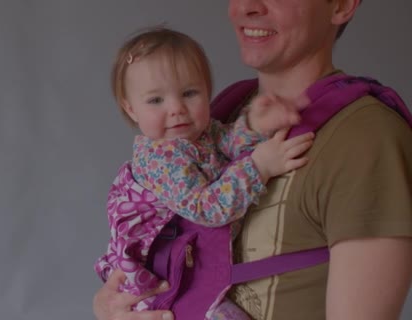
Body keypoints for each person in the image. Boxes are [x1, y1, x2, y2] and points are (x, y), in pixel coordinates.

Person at [93, 1, 412, 319]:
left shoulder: (366, 138)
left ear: (340, 5)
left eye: (190, 93)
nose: (247, 5)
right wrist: (110, 306)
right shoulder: (220, 112)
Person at [94, 27, 314, 318]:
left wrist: (255, 125)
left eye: (189, 93)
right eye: (156, 100)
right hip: (156, 283)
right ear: (130, 108)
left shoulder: (199, 134)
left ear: (207, 91)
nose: (177, 109)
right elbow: (207, 208)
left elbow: (227, 145)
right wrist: (259, 167)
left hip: (184, 264)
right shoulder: (161, 158)